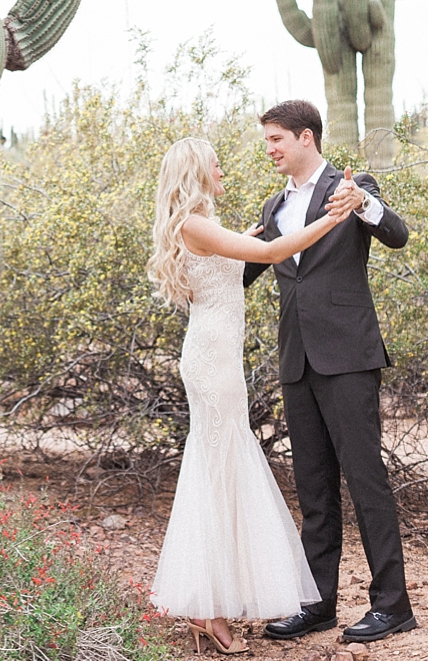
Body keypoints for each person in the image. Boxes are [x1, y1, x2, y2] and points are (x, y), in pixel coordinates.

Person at [147, 136, 356, 655]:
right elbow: (265, 254)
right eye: (215, 168)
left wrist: (248, 234)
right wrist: (332, 218)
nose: (223, 175)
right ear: (197, 174)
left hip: (215, 360)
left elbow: (233, 261)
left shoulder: (199, 228)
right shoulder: (196, 225)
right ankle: (207, 608)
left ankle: (211, 603)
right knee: (218, 471)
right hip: (212, 363)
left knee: (220, 469)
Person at [246, 100, 416, 645]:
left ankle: (393, 605)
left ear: (305, 138)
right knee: (314, 489)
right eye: (267, 140)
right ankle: (317, 602)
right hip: (297, 362)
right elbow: (243, 271)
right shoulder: (274, 207)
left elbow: (396, 233)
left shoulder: (351, 185)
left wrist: (363, 202)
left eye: (276, 139)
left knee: (367, 483)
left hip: (349, 359)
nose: (269, 148)